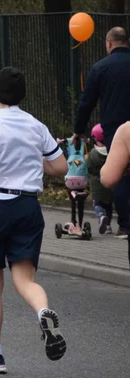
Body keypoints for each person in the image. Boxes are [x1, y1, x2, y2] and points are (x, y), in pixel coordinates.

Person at [0, 66, 67, 373]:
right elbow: (60, 166)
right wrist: (32, 160)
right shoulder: (36, 125)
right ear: (22, 95)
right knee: (25, 279)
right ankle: (43, 311)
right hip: (27, 206)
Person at [73, 26, 130, 239]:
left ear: (108, 43)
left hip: (115, 127)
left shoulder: (100, 68)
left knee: (122, 172)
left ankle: (125, 224)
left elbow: (86, 103)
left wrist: (79, 130)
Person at [88, 123, 113, 233]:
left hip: (97, 183)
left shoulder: (93, 153)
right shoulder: (111, 151)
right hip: (109, 183)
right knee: (109, 204)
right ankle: (108, 226)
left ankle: (101, 215)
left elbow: (89, 168)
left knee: (97, 203)